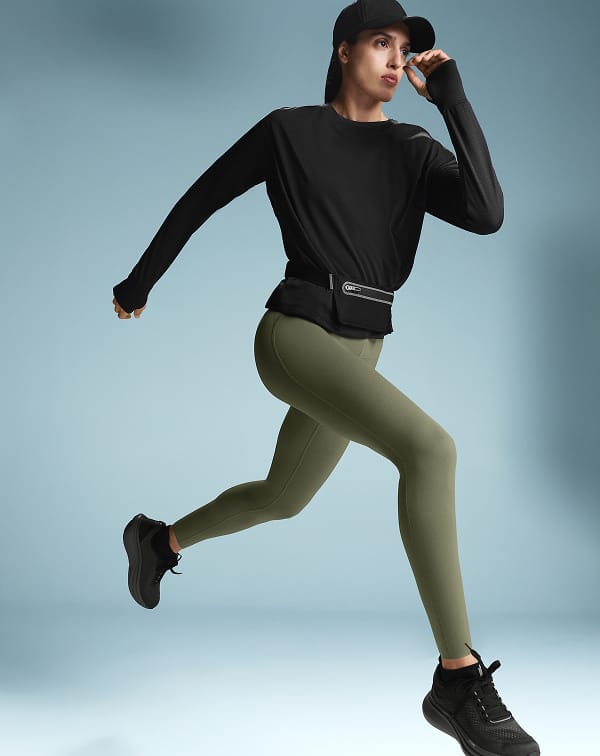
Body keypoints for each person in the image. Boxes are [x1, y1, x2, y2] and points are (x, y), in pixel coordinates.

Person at [116, 2, 540, 754]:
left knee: (284, 497)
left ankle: (158, 542)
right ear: (344, 51)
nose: (395, 59)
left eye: (405, 49)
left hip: (363, 349)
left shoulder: (412, 148)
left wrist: (453, 102)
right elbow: (201, 198)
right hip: (296, 335)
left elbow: (487, 212)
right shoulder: (291, 130)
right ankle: (458, 679)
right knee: (430, 450)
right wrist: (139, 281)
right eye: (381, 42)